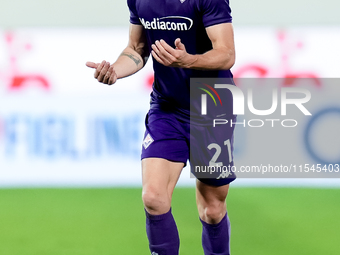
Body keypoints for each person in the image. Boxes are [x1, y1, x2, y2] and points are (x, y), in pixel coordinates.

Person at [86, 0, 236, 254]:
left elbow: (227, 53)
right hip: (167, 109)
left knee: (212, 208)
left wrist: (189, 60)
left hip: (212, 106)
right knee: (153, 197)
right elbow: (137, 48)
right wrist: (115, 71)